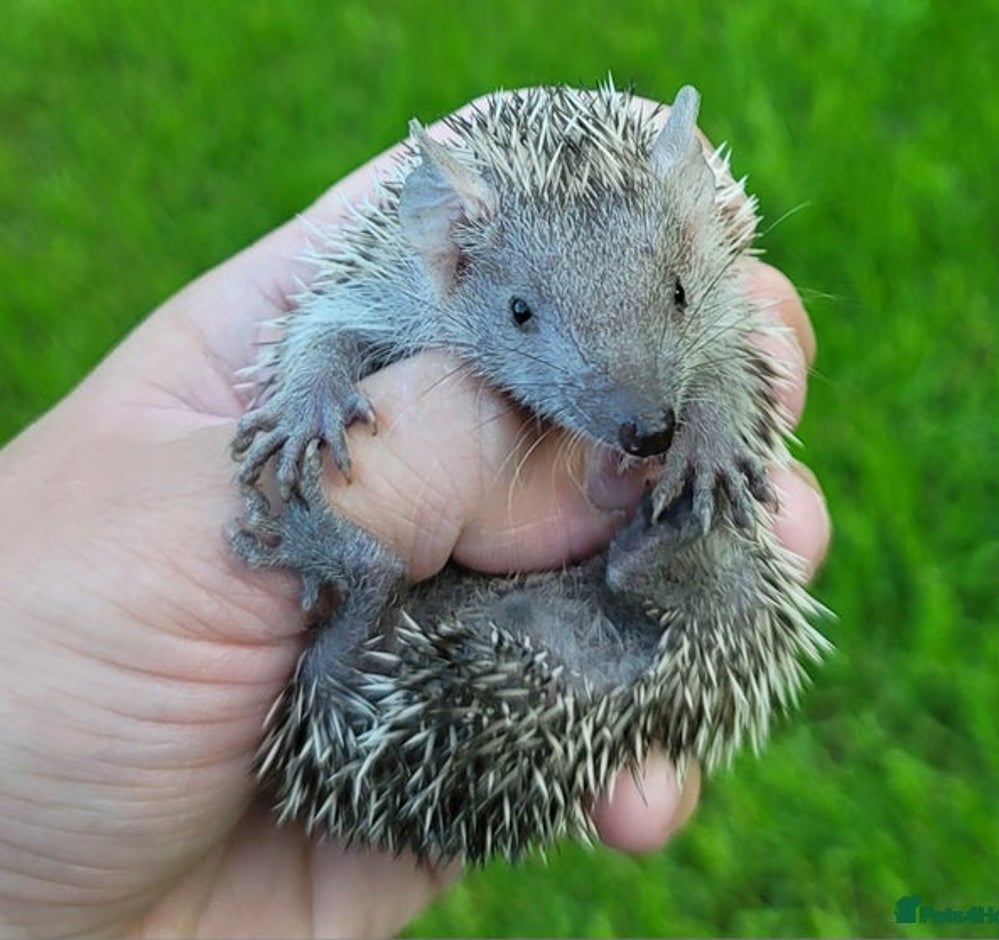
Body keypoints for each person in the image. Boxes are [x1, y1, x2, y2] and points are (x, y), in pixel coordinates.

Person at [0, 95, 830, 937]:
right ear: (450, 257)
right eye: (525, 316)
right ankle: (365, 597)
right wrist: (312, 395)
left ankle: (365, 590)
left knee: (726, 555)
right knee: (367, 711)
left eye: (676, 297)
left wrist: (714, 429)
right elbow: (328, 333)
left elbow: (728, 355)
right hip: (461, 650)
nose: (644, 413)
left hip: (608, 642)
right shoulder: (405, 290)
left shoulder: (691, 296)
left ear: (690, 226)